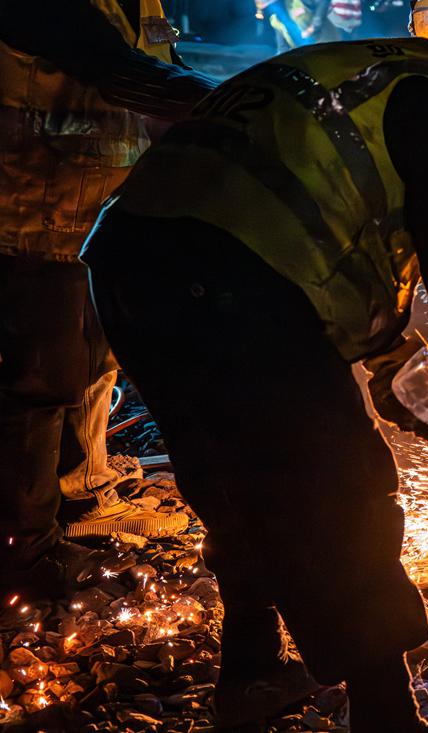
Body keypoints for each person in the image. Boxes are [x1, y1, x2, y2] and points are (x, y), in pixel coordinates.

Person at [81, 0, 428, 728]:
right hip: (223, 279)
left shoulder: (370, 73)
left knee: (233, 477)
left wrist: (399, 371)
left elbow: (322, 233)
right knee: (340, 492)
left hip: (130, 262)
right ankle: (386, 715)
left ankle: (252, 671)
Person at [0, 0, 217, 598]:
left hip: (97, 215)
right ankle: (23, 558)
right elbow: (120, 70)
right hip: (25, 208)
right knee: (40, 384)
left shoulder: (139, 2)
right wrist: (244, 102)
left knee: (96, 360)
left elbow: (154, 79)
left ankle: (82, 498)